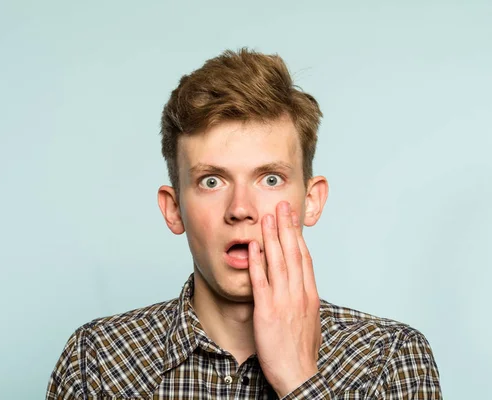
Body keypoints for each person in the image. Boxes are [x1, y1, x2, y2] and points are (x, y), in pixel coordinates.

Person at [46, 48, 442, 399]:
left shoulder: (390, 358)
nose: (240, 209)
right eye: (211, 181)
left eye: (270, 179)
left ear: (312, 200)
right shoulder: (95, 362)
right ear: (174, 209)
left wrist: (298, 379)